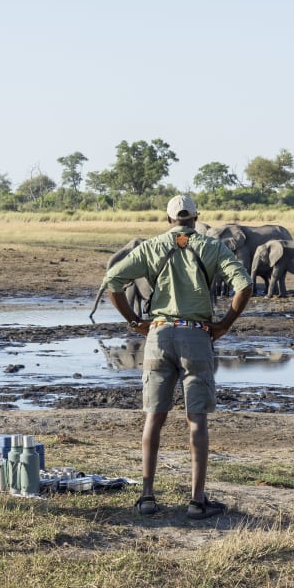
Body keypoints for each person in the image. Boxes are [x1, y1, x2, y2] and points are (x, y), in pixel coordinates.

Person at [103, 194, 252, 519]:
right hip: (197, 335)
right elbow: (245, 285)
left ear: (168, 219)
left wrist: (135, 323)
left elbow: (112, 281)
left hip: (158, 335)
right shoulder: (212, 246)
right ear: (196, 217)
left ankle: (147, 497)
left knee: (153, 417)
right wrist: (224, 324)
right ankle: (197, 501)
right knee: (196, 418)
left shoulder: (151, 247)